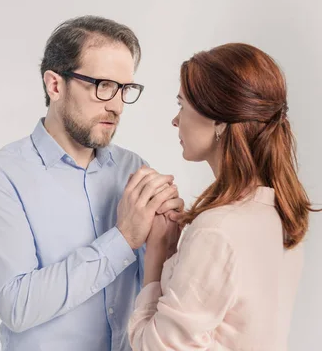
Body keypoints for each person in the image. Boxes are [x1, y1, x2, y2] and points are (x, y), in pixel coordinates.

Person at [0, 15, 184, 351]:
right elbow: (17, 306)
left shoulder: (133, 168)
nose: (116, 105)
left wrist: (169, 242)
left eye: (124, 89)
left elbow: (153, 289)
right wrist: (123, 239)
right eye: (103, 86)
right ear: (55, 85)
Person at [128, 43, 319, 350]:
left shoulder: (217, 229)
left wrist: (157, 257)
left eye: (182, 105)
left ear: (218, 120)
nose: (175, 121)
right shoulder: (282, 215)